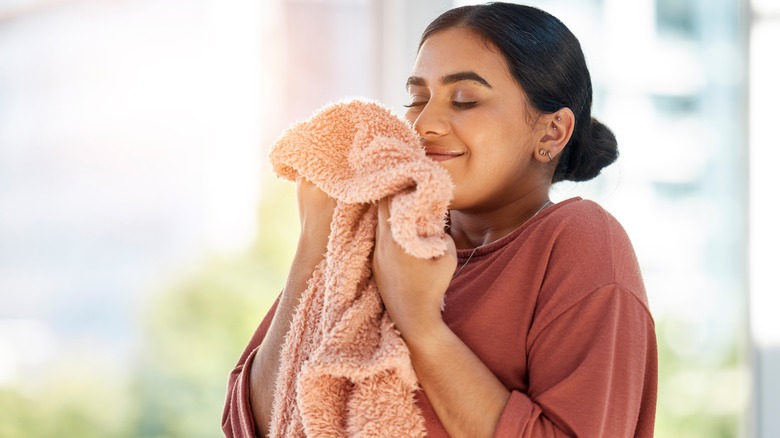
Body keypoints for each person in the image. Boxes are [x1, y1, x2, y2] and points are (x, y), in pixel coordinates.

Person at [223, 2, 657, 437]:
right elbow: (253, 424)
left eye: (465, 100)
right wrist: (314, 246)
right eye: (416, 99)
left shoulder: (580, 239)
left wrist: (421, 325)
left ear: (551, 132)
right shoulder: (381, 231)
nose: (424, 123)